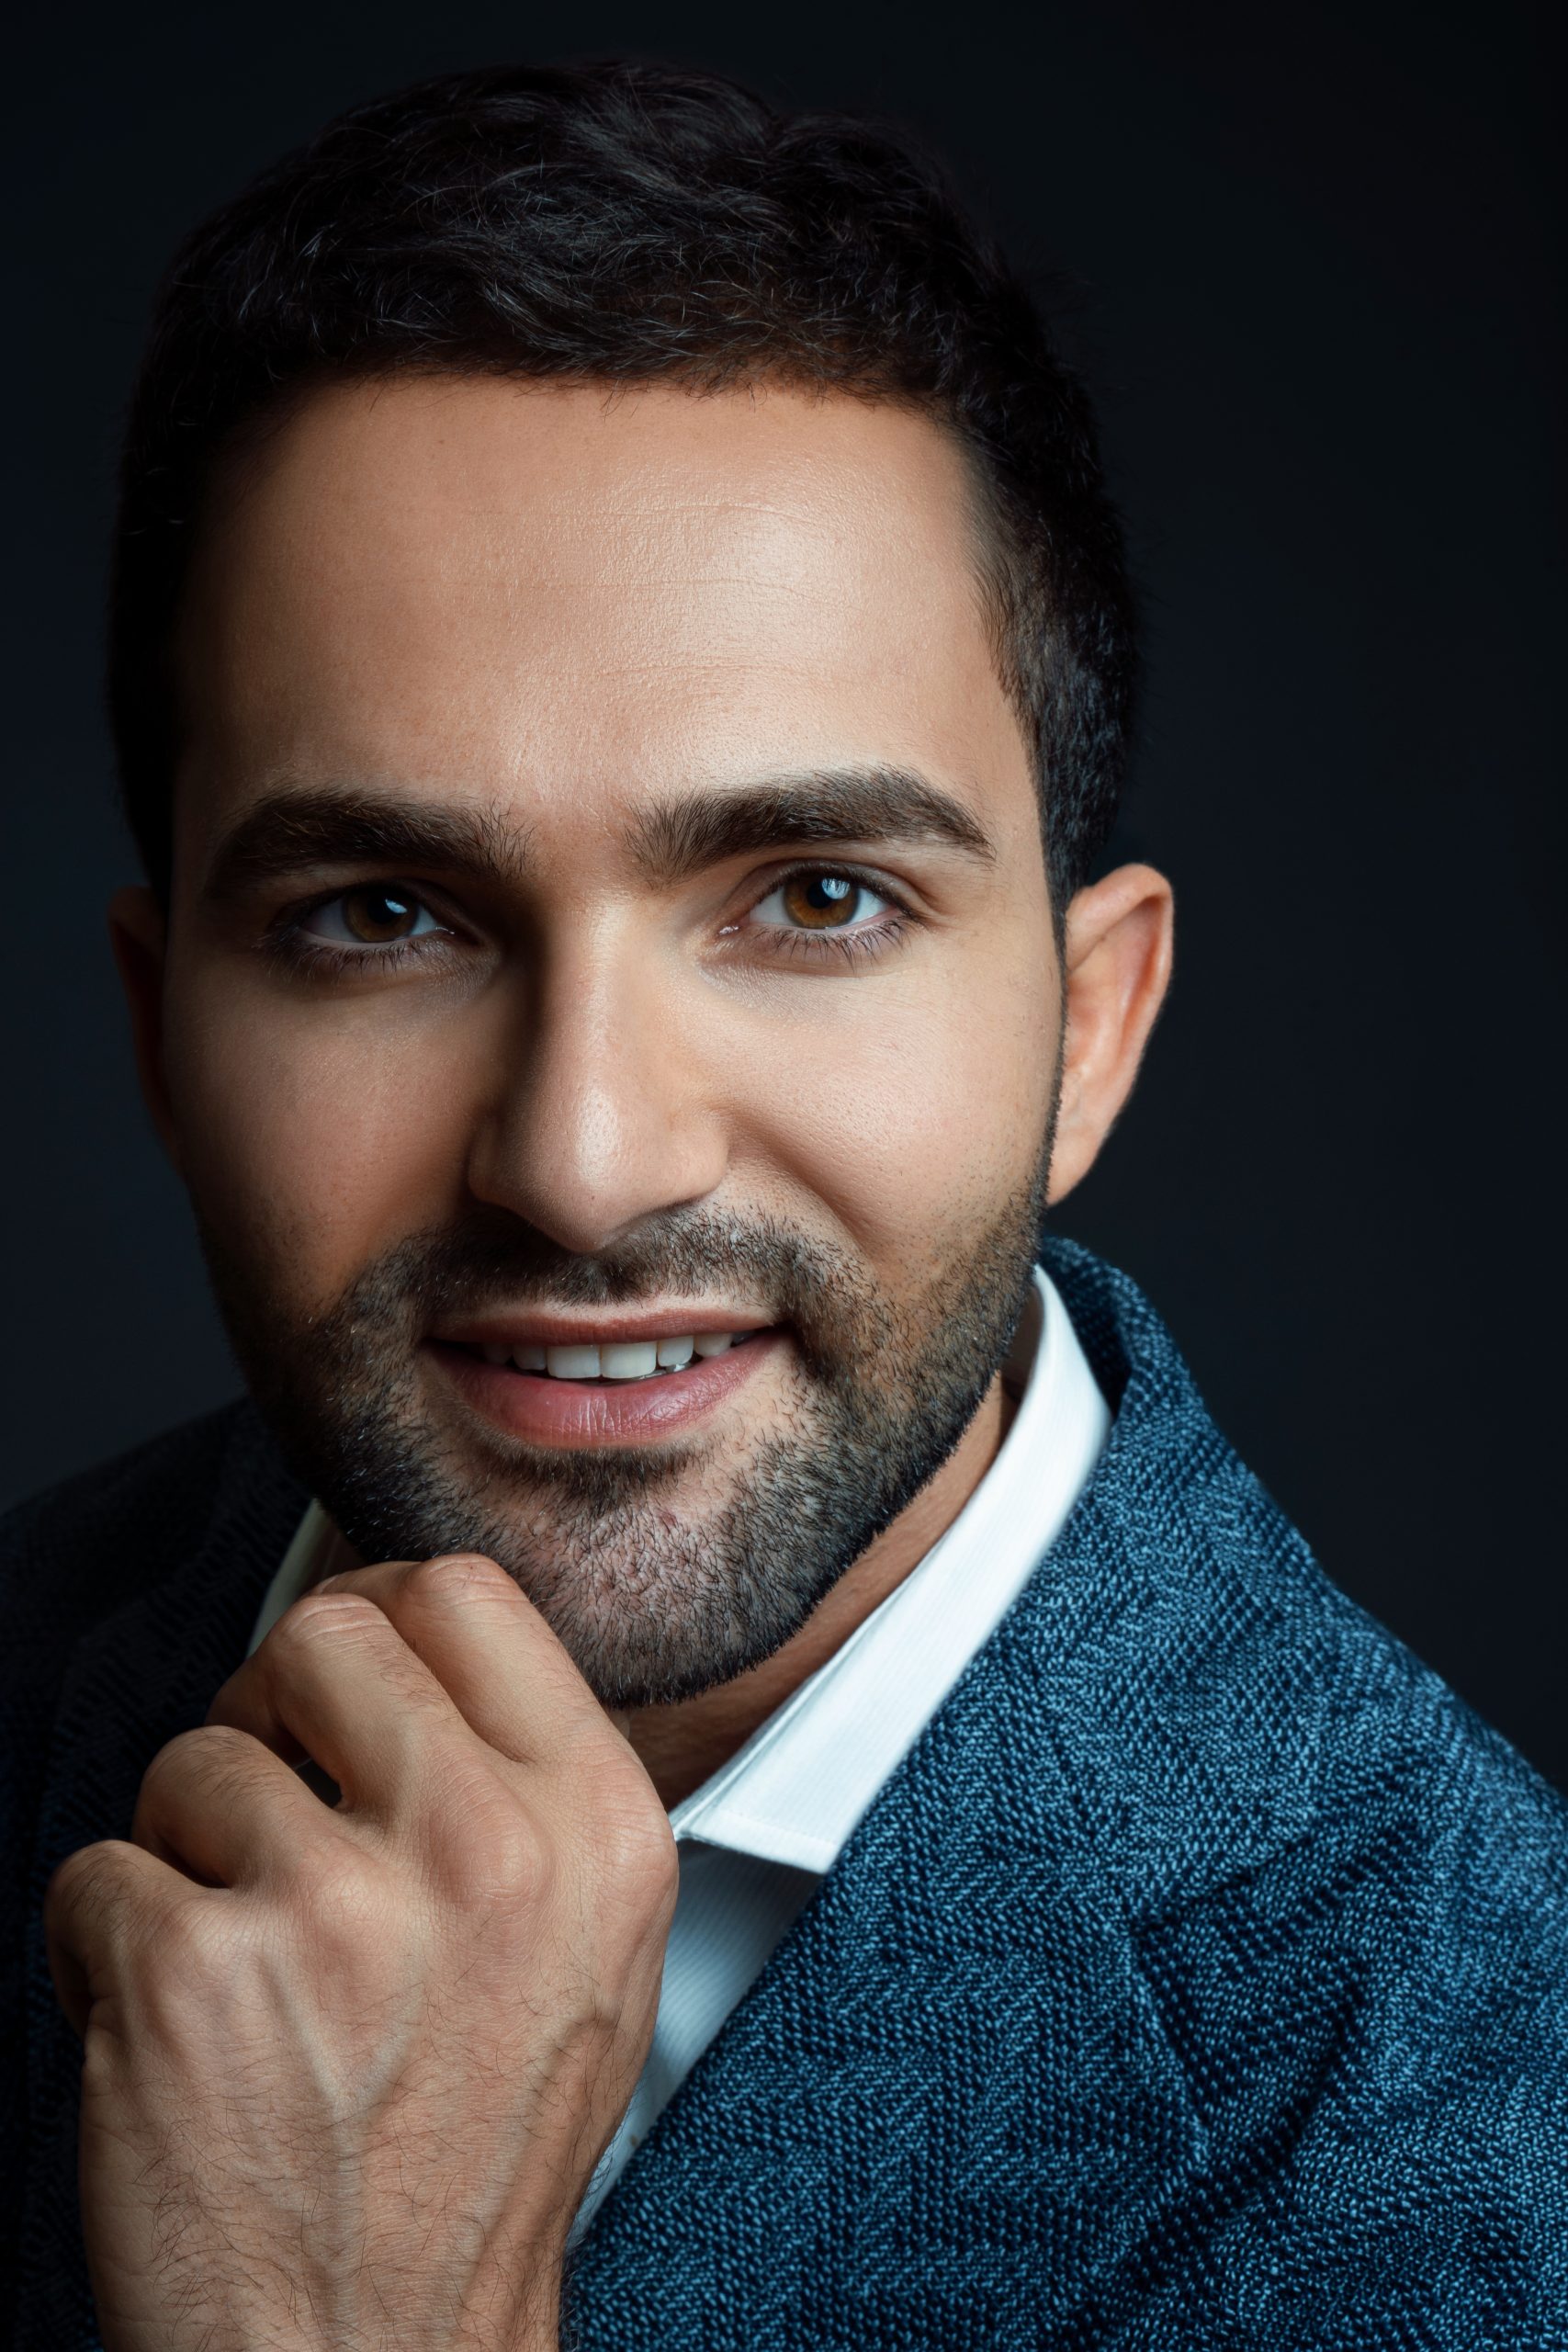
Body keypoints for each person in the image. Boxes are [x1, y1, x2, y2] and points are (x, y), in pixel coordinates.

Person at [3, 56, 1563, 2352]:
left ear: (1088, 1028)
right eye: (381, 915)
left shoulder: (1487, 2123)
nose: (582, 1157)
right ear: (160, 1035)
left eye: (813, 894)